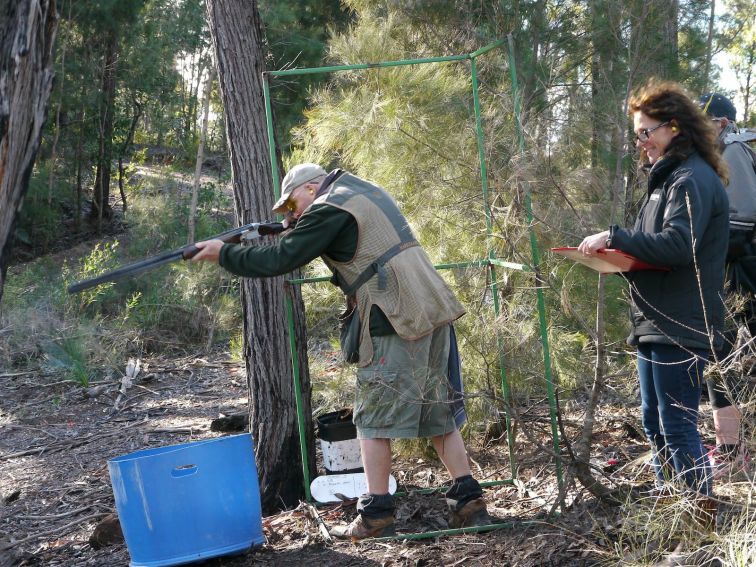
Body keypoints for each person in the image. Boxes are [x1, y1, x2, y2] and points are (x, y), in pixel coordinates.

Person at [191, 163, 490, 539]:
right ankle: (468, 501)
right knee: (436, 409)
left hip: (393, 315)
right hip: (429, 306)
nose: (292, 213)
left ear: (313, 187)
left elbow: (280, 260)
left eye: (292, 204)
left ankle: (376, 514)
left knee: (371, 419)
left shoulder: (328, 207)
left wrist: (224, 254)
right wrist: (292, 228)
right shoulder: (359, 191)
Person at [578, 81, 729, 500]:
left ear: (674, 127)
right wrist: (617, 258)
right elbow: (657, 251)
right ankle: (668, 507)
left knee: (677, 423)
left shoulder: (690, 178)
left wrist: (616, 237)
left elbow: (679, 246)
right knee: (654, 422)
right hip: (654, 319)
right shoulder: (666, 180)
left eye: (647, 132)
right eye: (638, 134)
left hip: (680, 322)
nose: (641, 142)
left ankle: (699, 515)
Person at [699, 92, 756, 478]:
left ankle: (732, 452)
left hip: (742, 276)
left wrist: (693, 249)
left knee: (723, 359)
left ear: (721, 124)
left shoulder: (732, 151)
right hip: (738, 273)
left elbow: (742, 224)